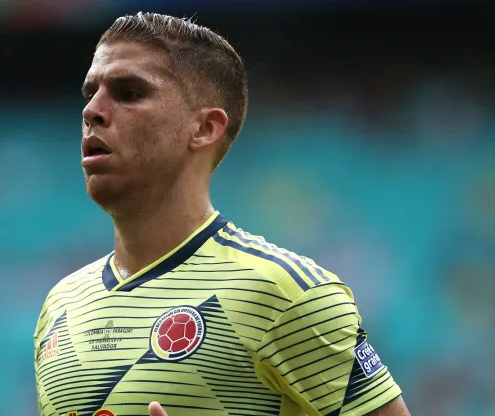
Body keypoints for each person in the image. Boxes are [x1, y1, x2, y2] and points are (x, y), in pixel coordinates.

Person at [34, 12, 410, 416]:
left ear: (204, 128)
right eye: (89, 93)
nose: (93, 111)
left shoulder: (285, 294)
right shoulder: (61, 305)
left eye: (128, 93)